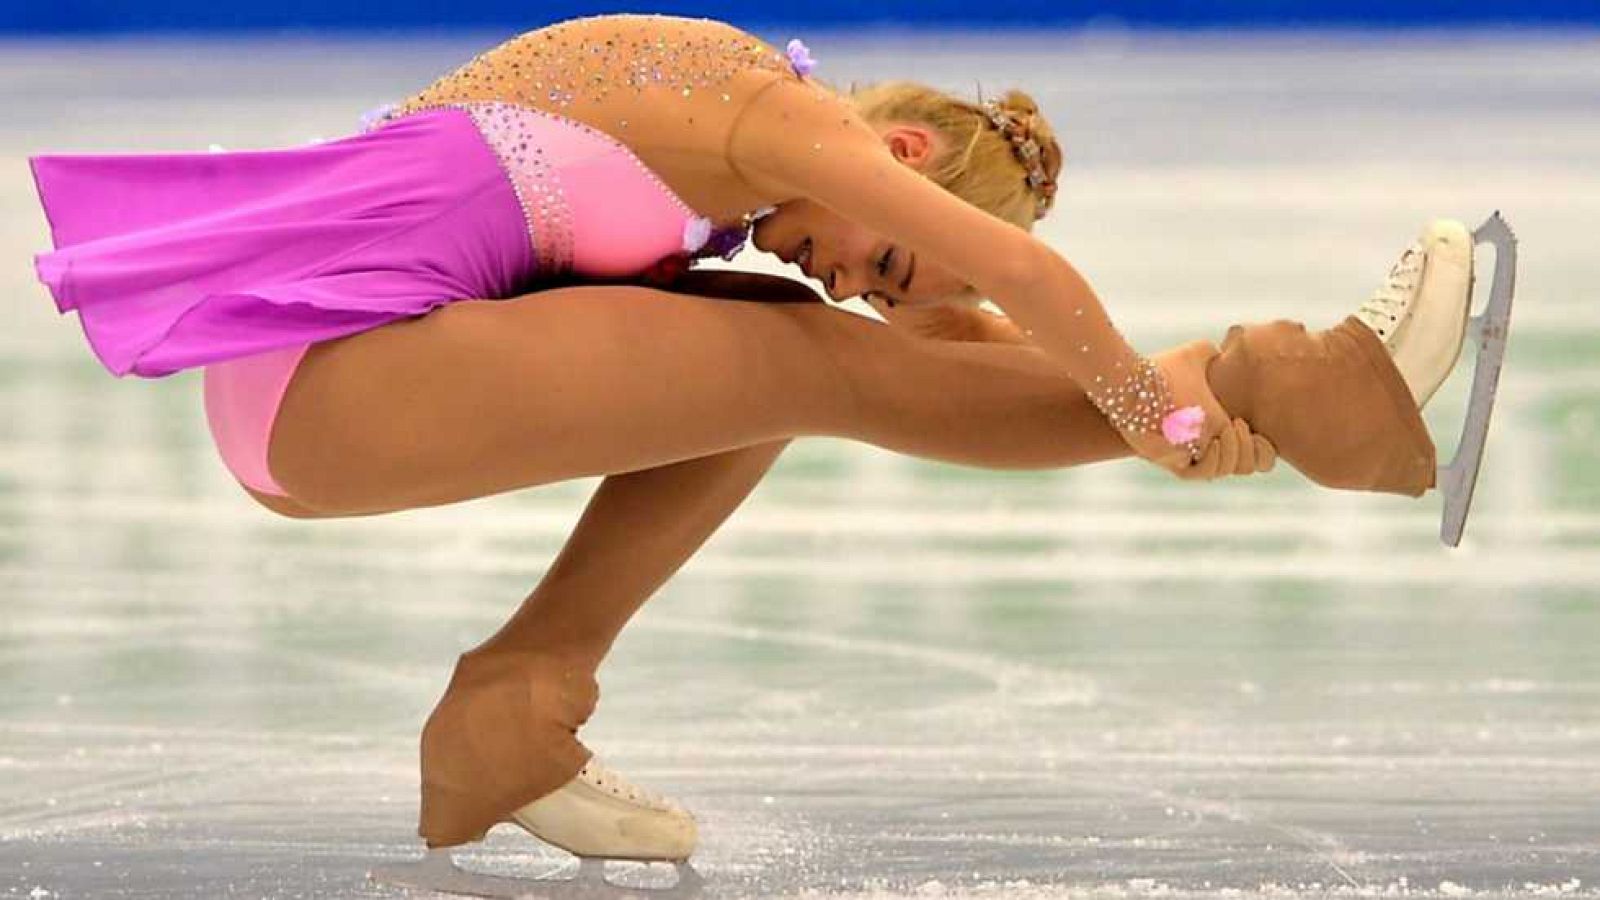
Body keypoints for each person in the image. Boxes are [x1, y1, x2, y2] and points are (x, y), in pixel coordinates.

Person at [27, 12, 1469, 880]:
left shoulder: (726, 166)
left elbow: (944, 349)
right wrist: (1168, 412)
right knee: (797, 353)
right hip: (322, 375)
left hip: (321, 379)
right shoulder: (776, 119)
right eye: (888, 260)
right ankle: (1296, 383)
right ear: (903, 163)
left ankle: (509, 717)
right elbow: (1013, 290)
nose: (861, 278)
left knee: (774, 361)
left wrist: (1138, 403)